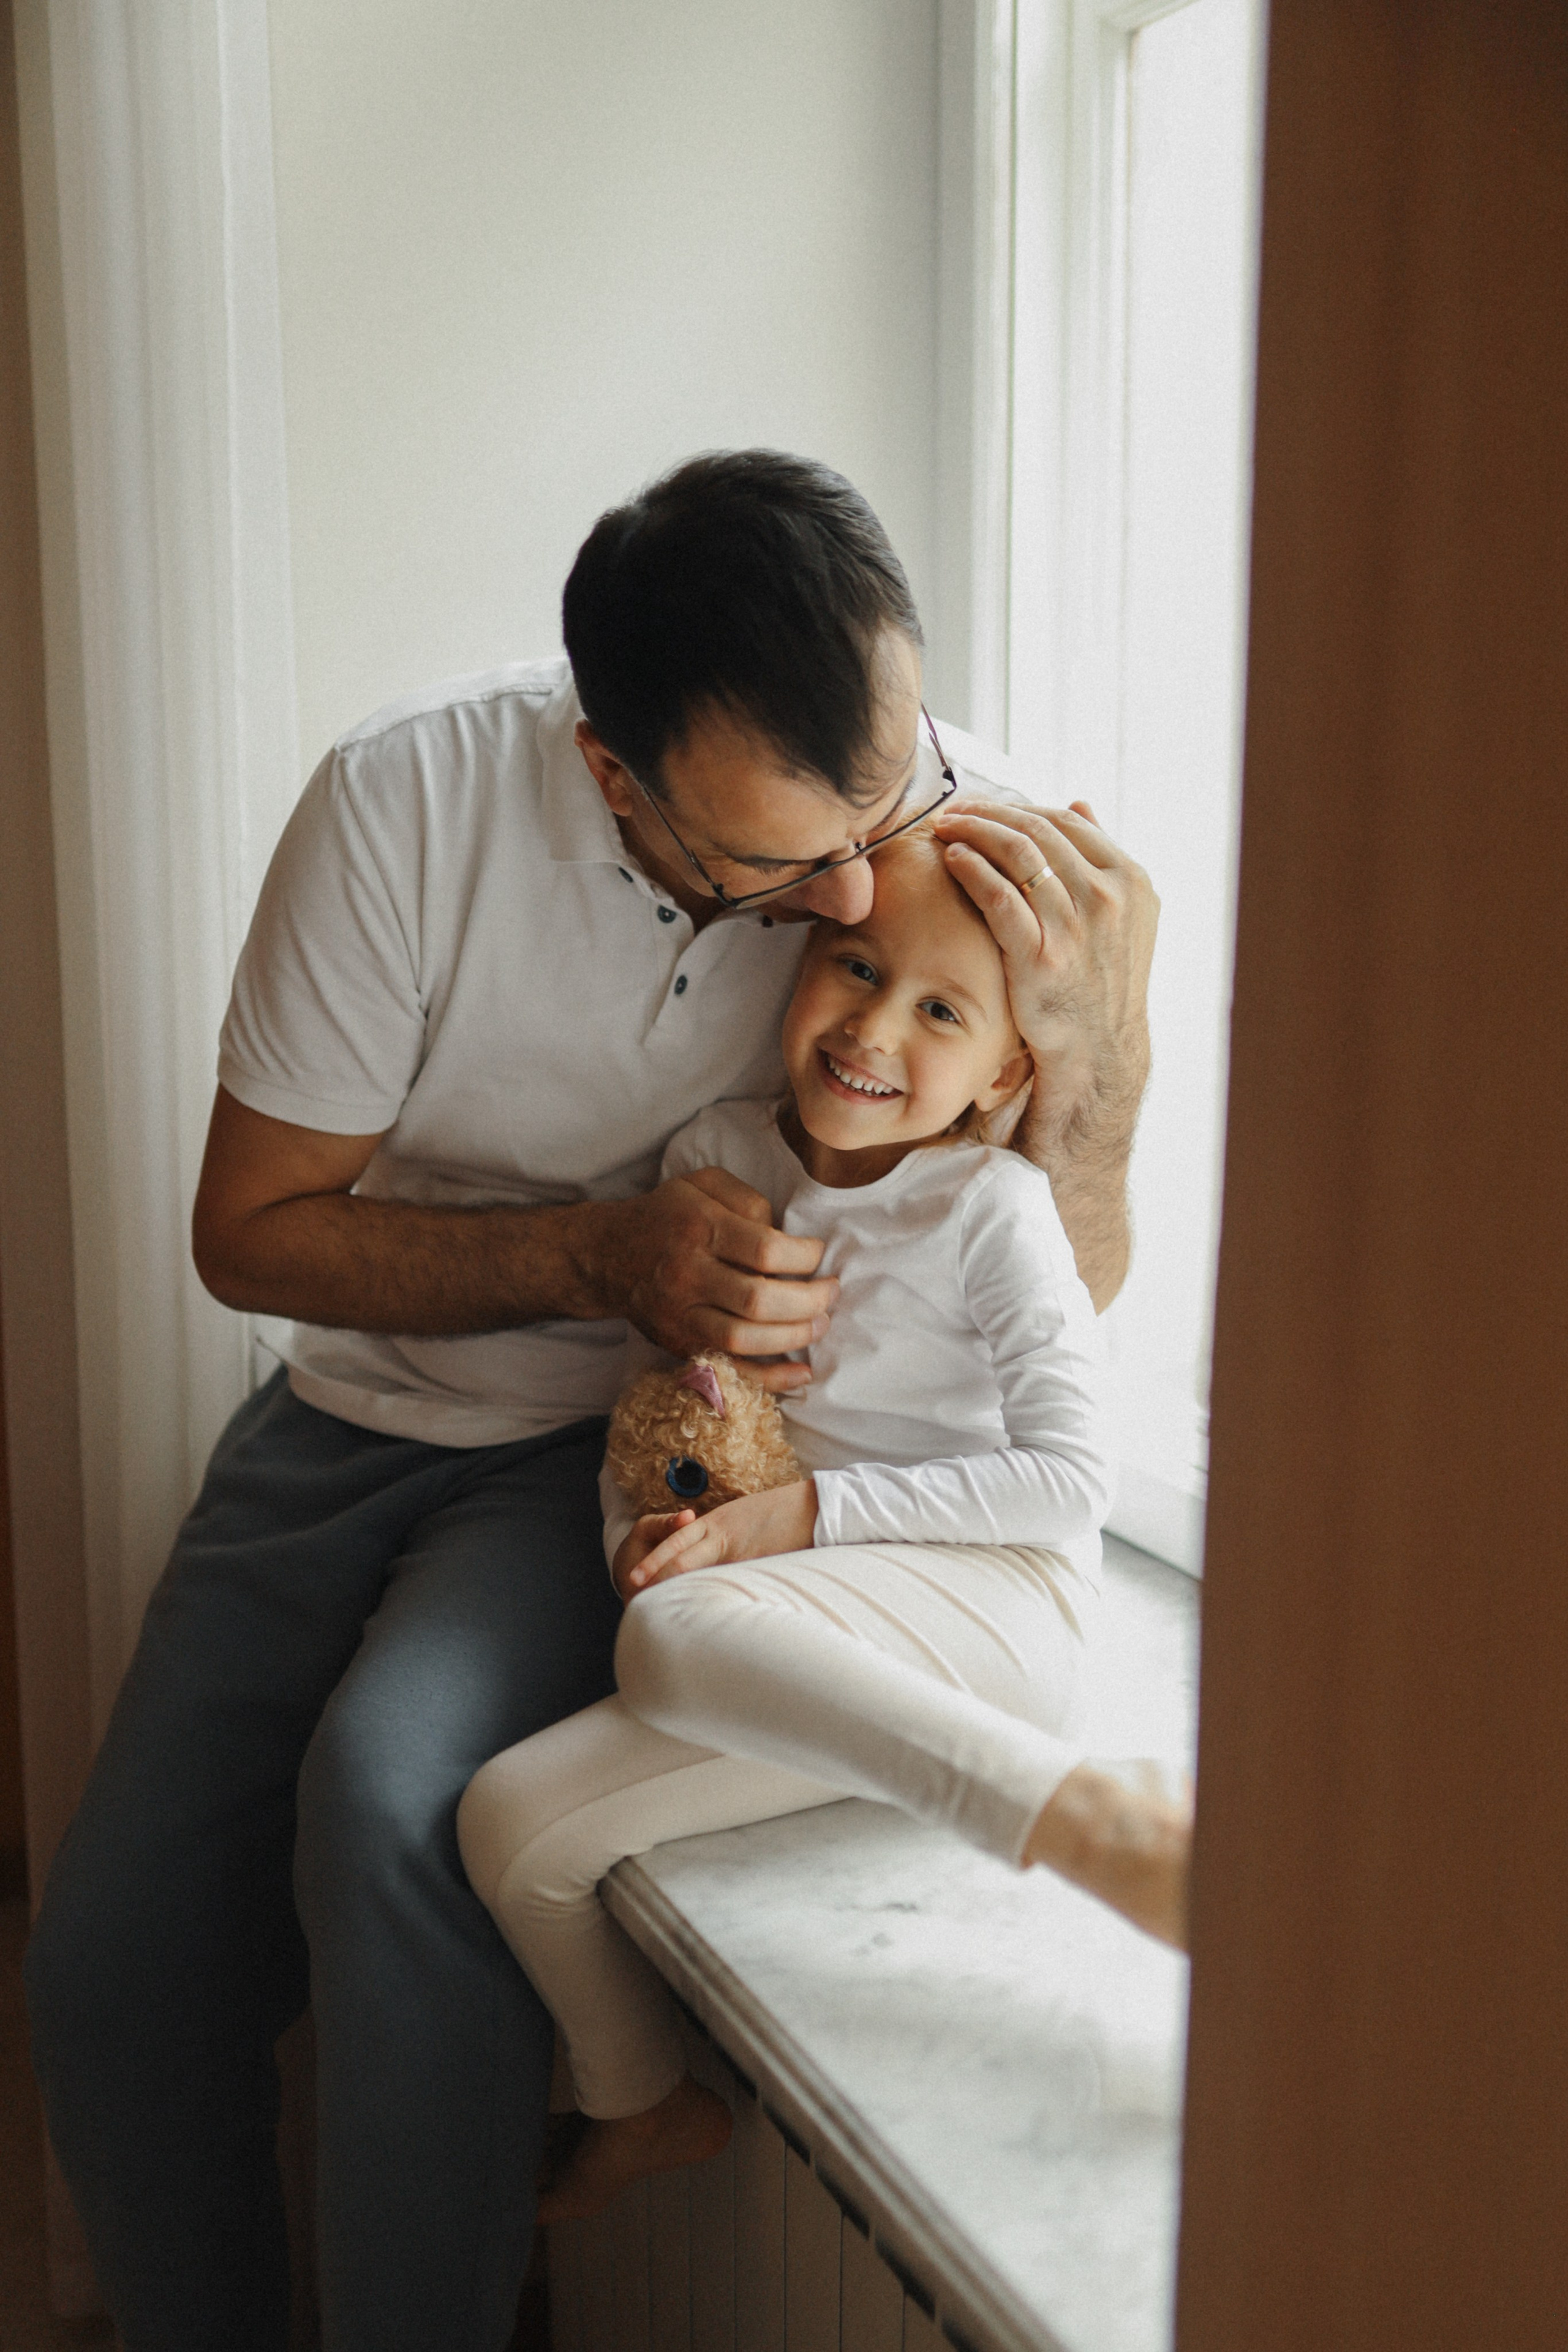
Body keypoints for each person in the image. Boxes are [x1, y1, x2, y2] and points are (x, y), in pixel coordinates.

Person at [24, 451, 1157, 2352]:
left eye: (890, 804)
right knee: (108, 1972)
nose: (861, 893)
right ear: (611, 776)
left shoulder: (949, 843)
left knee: (391, 1804)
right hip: (349, 1416)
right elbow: (250, 1232)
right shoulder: (406, 808)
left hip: (629, 1460)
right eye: (789, 874)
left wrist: (1104, 1069)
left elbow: (1049, 1296)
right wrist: (595, 1254)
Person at [458, 823, 1188, 2225]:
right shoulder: (719, 1154)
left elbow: (1069, 1480)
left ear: (1004, 1078)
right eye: (856, 968)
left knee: (672, 1634)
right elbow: (657, 1402)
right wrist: (635, 1521)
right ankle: (639, 2102)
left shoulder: (994, 1210)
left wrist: (802, 1513)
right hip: (792, 1613)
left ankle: (1084, 1819)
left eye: (939, 1011)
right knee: (508, 1826)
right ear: (799, 958)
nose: (872, 1028)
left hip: (991, 1601)